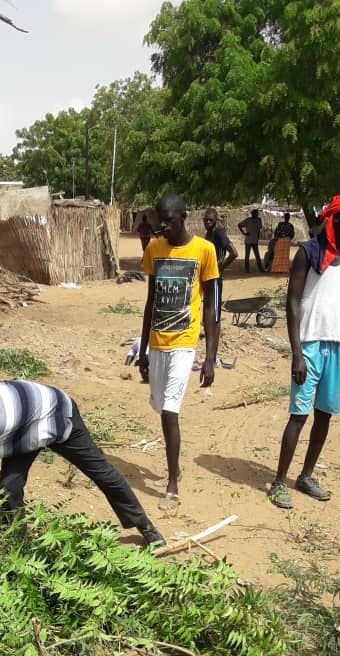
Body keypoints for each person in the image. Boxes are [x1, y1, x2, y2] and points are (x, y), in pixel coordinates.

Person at [0, 380, 166, 554]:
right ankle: (19, 548)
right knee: (9, 488)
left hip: (54, 411)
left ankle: (147, 528)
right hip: (22, 428)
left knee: (99, 472)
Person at [268, 195, 340, 510]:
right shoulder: (308, 253)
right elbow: (293, 302)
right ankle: (279, 481)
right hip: (309, 344)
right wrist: (296, 352)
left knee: (324, 416)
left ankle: (306, 475)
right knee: (298, 415)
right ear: (335, 218)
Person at [139, 193, 219, 515]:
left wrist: (211, 356)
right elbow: (150, 300)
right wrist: (143, 348)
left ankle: (172, 484)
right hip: (158, 343)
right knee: (161, 409)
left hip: (185, 343)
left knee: (171, 409)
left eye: (170, 220)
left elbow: (212, 307)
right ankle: (175, 469)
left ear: (184, 216)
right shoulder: (153, 249)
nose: (163, 226)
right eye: (161, 220)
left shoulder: (205, 250)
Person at [203, 208, 238, 353]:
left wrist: (220, 268)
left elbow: (234, 253)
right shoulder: (209, 234)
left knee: (215, 316)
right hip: (208, 278)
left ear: (216, 220)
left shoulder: (219, 233)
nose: (207, 222)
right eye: (205, 220)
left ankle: (213, 354)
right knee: (209, 313)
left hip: (215, 278)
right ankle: (210, 350)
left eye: (210, 220)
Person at [237, 208, 264, 273]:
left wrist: (257, 237)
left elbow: (259, 230)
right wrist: (244, 233)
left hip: (254, 240)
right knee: (247, 256)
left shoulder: (259, 220)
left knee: (257, 255)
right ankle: (247, 270)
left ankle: (260, 269)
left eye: (257, 214)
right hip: (248, 241)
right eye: (255, 214)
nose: (256, 215)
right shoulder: (248, 220)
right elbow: (239, 225)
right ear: (252, 214)